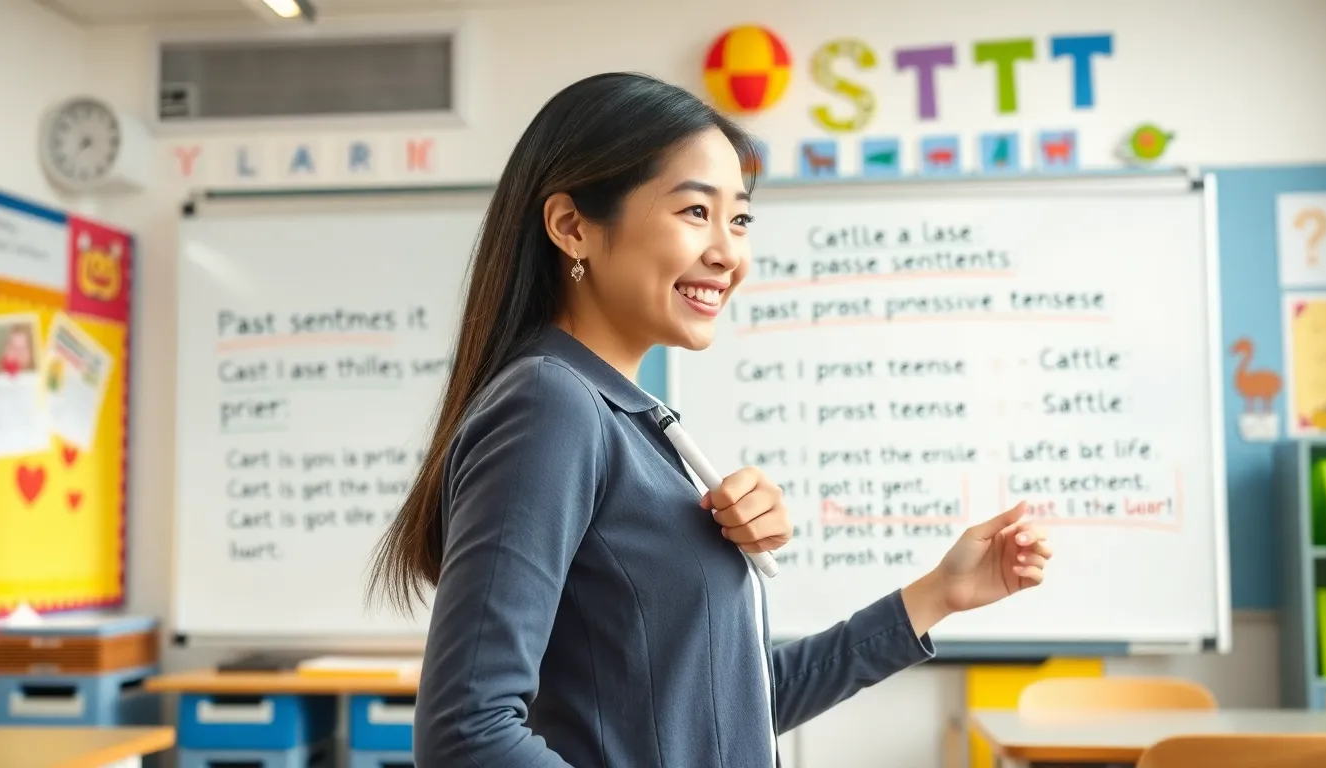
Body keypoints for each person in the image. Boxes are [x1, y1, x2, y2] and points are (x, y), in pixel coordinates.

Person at [367, 72, 1053, 768]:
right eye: (696, 212)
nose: (729, 253)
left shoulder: (636, 421)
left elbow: (730, 712)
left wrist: (939, 594)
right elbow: (467, 734)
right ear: (571, 227)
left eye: (741, 218)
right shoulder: (552, 404)